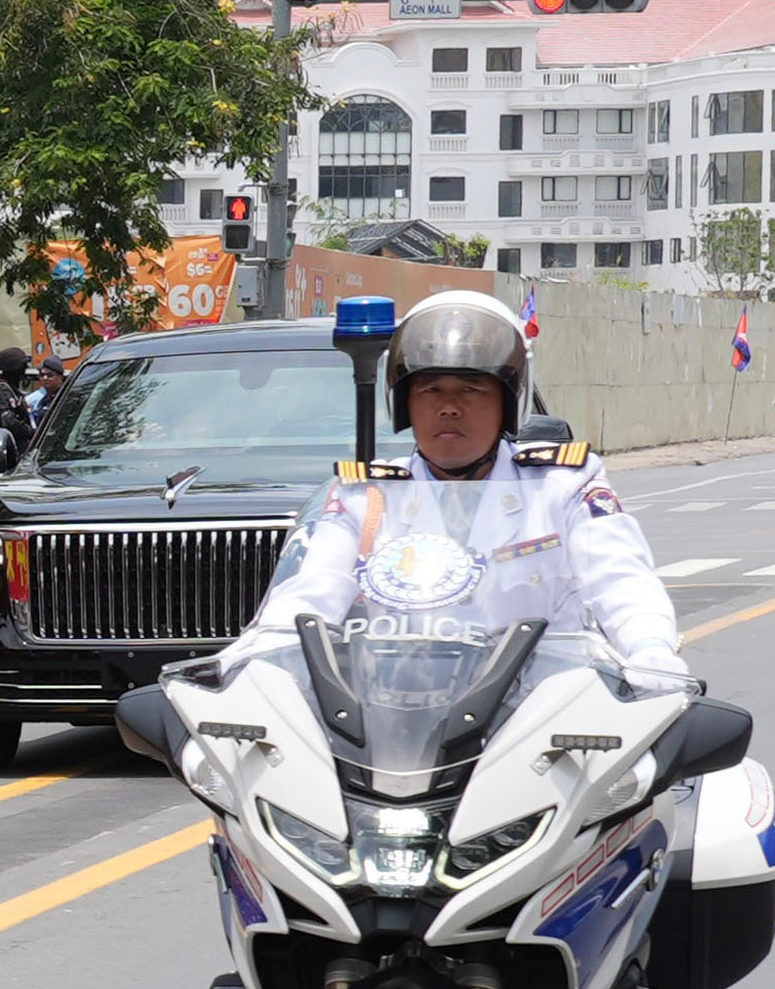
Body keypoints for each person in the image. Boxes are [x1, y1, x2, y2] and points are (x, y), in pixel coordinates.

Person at [231, 291, 689, 690]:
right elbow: (308, 595)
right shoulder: (366, 497)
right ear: (405, 403)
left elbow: (621, 579)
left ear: (508, 402)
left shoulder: (561, 484)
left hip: (542, 707)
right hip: (399, 715)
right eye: (430, 390)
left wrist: (650, 649)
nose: (449, 407)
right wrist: (258, 660)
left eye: (471, 389)